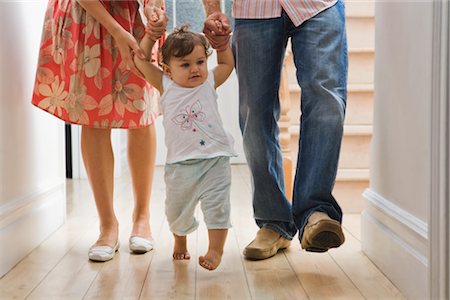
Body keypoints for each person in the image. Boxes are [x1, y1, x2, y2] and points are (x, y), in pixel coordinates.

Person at [202, 0, 347, 259]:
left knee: (326, 101)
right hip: (253, 9)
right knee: (254, 114)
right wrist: (213, 10)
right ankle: (273, 222)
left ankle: (315, 210)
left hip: (318, 5)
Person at [32, 0, 167, 262]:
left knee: (141, 111)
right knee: (93, 115)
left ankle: (142, 218)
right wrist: (117, 31)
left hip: (135, 15)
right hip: (88, 15)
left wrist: (152, 8)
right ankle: (108, 225)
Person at [134, 16, 235, 270]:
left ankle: (215, 250)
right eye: (185, 64)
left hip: (215, 160)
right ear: (168, 70)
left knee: (218, 206)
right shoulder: (165, 85)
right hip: (180, 165)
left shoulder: (209, 81)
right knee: (177, 210)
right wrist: (149, 34)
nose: (195, 69)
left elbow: (226, 63)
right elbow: (140, 60)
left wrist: (222, 45)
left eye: (200, 62)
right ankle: (180, 242)